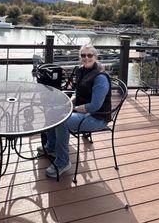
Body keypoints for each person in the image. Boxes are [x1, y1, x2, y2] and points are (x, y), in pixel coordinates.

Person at [38, 44, 112, 178]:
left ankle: (63, 162)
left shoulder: (100, 78)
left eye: (90, 55)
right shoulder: (81, 70)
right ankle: (52, 147)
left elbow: (95, 106)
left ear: (95, 57)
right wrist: (70, 101)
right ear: (80, 57)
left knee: (62, 122)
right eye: (83, 55)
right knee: (51, 112)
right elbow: (78, 91)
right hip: (81, 110)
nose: (86, 58)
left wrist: (74, 109)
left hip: (97, 117)